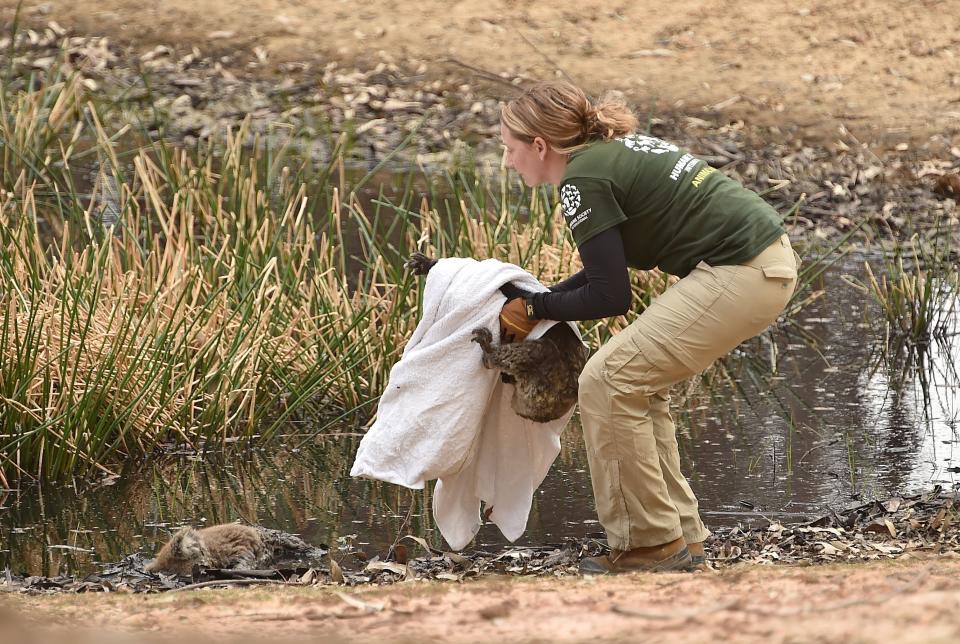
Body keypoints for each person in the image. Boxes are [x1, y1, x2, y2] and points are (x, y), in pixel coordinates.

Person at [495, 80, 800, 573]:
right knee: (634, 386)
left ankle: (649, 546)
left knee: (608, 382)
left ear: (539, 146)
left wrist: (533, 310)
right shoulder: (603, 155)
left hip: (742, 271)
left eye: (510, 150)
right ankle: (679, 537)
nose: (507, 162)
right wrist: (539, 303)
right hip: (760, 264)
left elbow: (611, 297)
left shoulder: (582, 180)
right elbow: (605, 272)